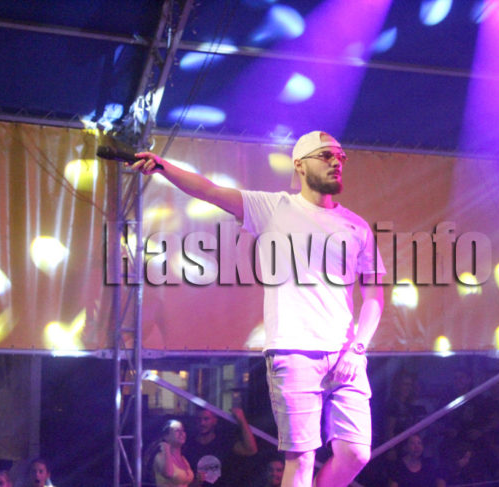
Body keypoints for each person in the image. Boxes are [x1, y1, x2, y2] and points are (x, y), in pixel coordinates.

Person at [131, 130, 385, 487]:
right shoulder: (275, 208)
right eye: (326, 155)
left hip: (347, 353)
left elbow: (374, 295)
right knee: (301, 459)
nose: (336, 162)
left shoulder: (356, 226)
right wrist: (164, 167)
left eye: (341, 156)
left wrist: (358, 347)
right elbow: (210, 190)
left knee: (356, 453)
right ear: (300, 165)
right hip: (294, 351)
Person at [183, 407, 257, 486]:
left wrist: (241, 420)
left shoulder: (223, 442)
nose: (202, 423)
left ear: (215, 421)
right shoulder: (188, 445)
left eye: (206, 419)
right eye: (199, 419)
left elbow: (251, 450)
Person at [149, 420, 194, 487]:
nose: (182, 433)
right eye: (177, 430)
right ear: (166, 436)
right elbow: (168, 474)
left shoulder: (184, 459)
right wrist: (166, 449)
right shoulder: (160, 457)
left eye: (183, 430)